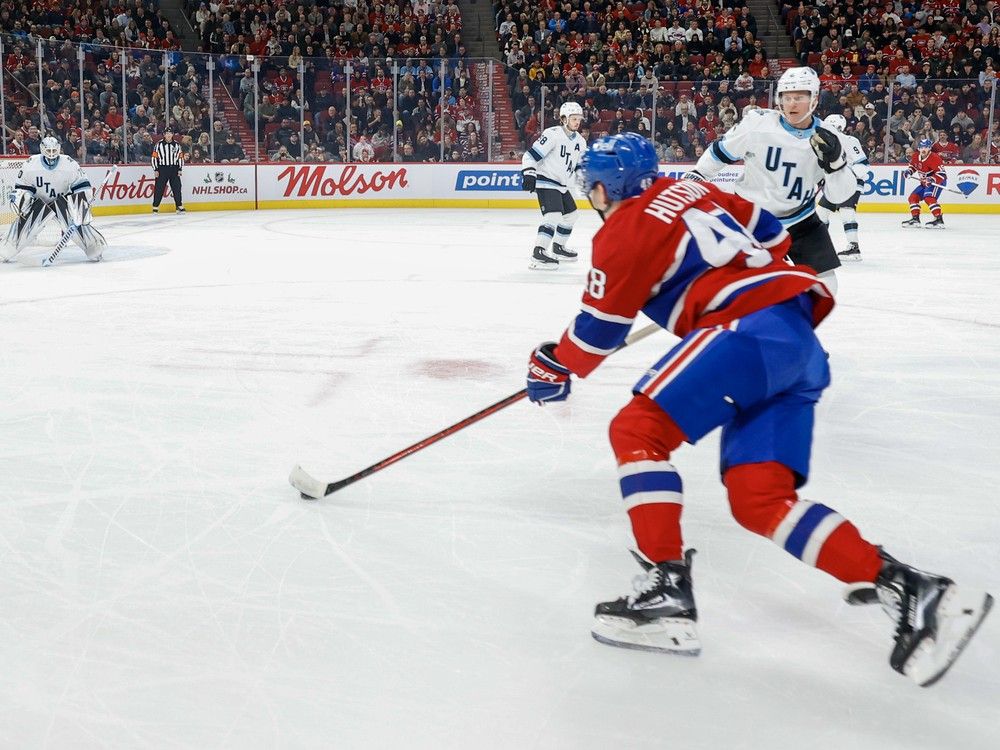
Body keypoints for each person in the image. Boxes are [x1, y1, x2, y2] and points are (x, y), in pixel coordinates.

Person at [524, 132, 992, 687]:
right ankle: (914, 591)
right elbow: (772, 234)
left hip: (743, 330)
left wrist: (552, 364)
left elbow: (596, 335)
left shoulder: (623, 230)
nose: (592, 195)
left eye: (593, 186)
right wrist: (721, 276)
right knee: (759, 500)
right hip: (795, 339)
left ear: (606, 187)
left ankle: (667, 592)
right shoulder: (695, 189)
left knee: (638, 431)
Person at [686, 67, 857, 294]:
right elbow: (720, 152)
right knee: (737, 287)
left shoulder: (829, 138)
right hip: (751, 218)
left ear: (814, 99)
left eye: (799, 97)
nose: (792, 104)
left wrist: (836, 165)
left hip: (801, 219)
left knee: (826, 286)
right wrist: (697, 175)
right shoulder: (758, 124)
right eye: (787, 97)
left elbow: (840, 196)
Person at [1, 137, 106, 263]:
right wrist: (22, 198)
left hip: (62, 202)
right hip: (38, 204)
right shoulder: (31, 163)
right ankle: (8, 247)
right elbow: (22, 188)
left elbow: (82, 185)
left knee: (76, 218)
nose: (51, 154)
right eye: (48, 151)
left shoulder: (69, 163)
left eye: (54, 150)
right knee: (25, 223)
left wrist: (81, 202)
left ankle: (93, 246)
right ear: (42, 149)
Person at [520, 101, 586, 269]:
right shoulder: (553, 134)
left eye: (579, 119)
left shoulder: (580, 141)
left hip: (562, 185)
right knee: (553, 216)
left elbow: (579, 166)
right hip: (546, 181)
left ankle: (558, 247)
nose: (577, 122)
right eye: (574, 118)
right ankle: (538, 253)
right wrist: (529, 173)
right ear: (564, 119)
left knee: (572, 216)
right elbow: (530, 156)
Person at [815, 114, 868, 261]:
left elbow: (863, 164)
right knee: (821, 214)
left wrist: (848, 176)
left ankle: (854, 248)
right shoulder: (823, 144)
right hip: (834, 183)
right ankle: (820, 246)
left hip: (851, 182)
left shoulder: (850, 141)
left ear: (838, 127)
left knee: (846, 211)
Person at [904, 138, 946, 228]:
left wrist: (932, 179)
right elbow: (913, 166)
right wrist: (909, 171)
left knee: (929, 198)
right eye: (922, 147)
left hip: (937, 182)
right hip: (924, 183)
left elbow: (942, 174)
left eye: (926, 147)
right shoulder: (916, 156)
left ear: (929, 148)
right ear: (918, 148)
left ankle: (939, 219)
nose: (924, 149)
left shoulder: (935, 158)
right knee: (913, 197)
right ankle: (915, 219)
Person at [151, 128, 185, 214]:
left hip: (174, 168)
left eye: (170, 133)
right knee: (159, 188)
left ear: (172, 134)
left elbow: (180, 157)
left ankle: (179, 206)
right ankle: (155, 206)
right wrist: (156, 169)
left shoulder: (176, 144)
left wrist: (180, 168)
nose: (168, 135)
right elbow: (154, 157)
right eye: (167, 133)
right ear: (164, 134)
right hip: (162, 169)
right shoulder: (159, 144)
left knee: (177, 188)